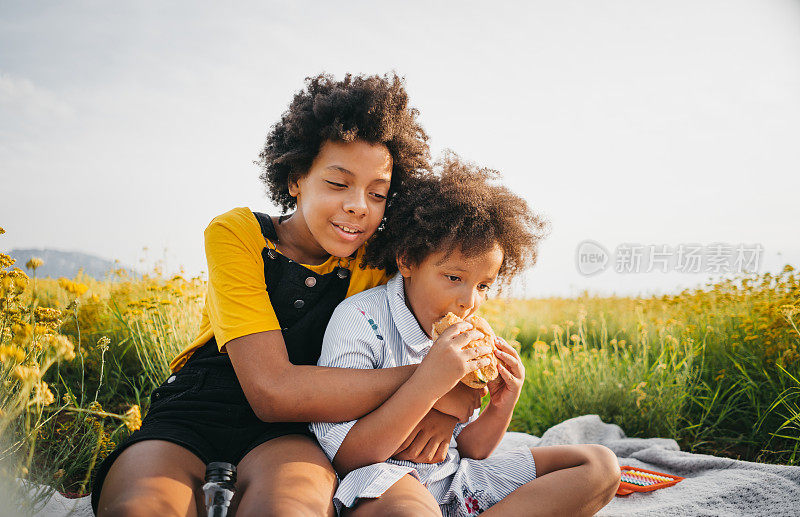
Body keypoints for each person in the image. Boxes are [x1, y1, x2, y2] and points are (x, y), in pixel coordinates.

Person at [92, 74, 484, 517]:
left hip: (295, 435)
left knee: (289, 511)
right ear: (296, 178)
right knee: (139, 509)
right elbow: (272, 390)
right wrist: (428, 379)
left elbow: (469, 333)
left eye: (378, 194)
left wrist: (449, 407)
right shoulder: (238, 233)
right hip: (195, 410)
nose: (359, 205)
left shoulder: (381, 261)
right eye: (339, 184)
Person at [311, 154, 621, 517]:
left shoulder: (466, 339)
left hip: (457, 479)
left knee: (599, 465)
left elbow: (469, 450)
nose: (468, 301)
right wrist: (434, 384)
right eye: (454, 278)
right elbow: (348, 457)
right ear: (408, 260)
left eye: (484, 285)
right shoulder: (361, 319)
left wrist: (502, 404)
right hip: (385, 480)